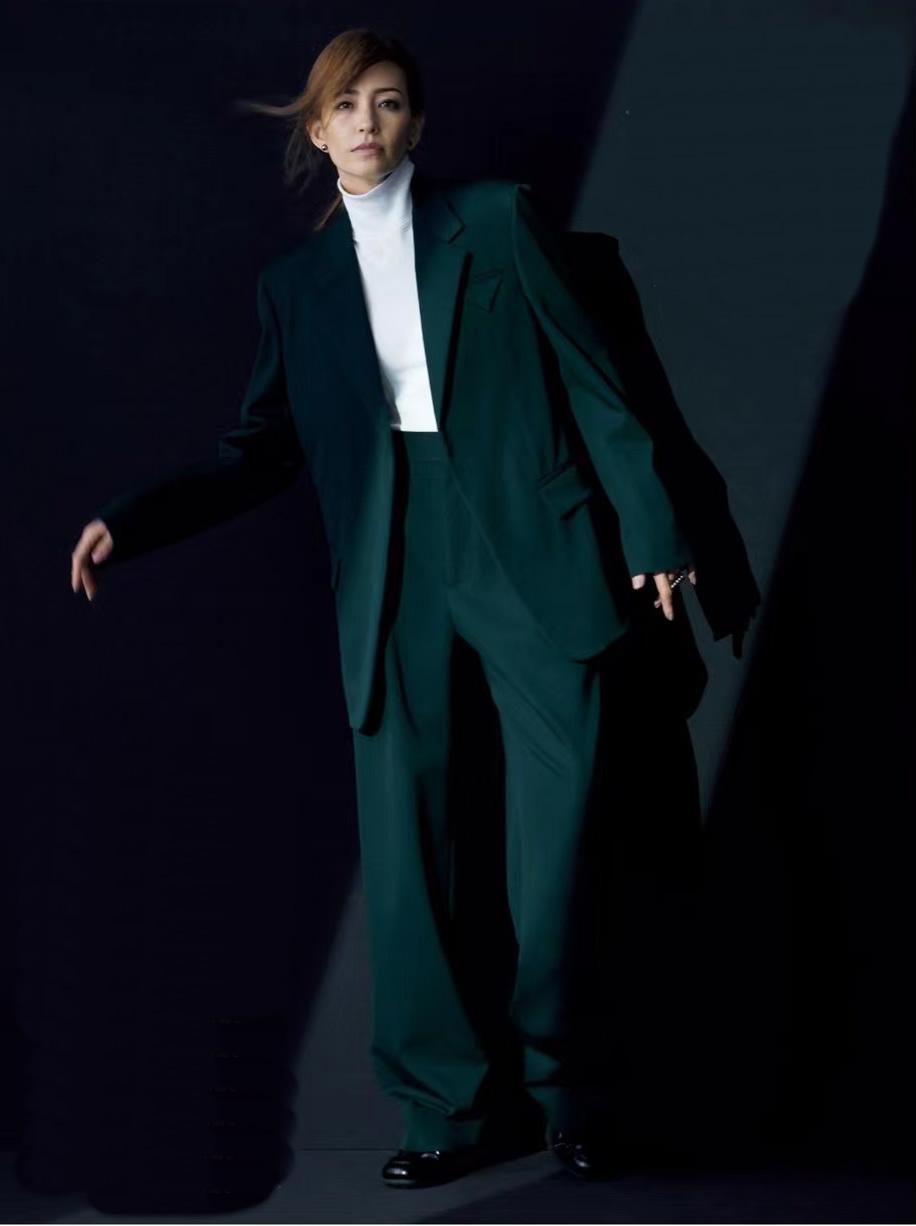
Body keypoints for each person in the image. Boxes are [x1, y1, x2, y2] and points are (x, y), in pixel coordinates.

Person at [70, 28, 750, 1189]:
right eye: (346, 106)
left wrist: (650, 532)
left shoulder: (493, 220)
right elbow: (259, 449)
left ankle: (574, 1093)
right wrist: (135, 519)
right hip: (392, 563)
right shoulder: (296, 289)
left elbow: (596, 374)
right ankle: (452, 1108)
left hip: (530, 542)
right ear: (317, 126)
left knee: (566, 839)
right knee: (412, 855)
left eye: (387, 103)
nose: (367, 124)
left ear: (416, 123)